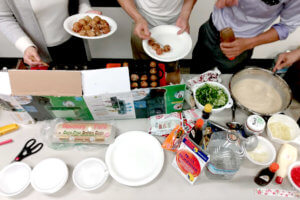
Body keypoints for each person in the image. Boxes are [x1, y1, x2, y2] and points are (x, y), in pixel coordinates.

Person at [191, 0, 300, 73]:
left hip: (241, 45)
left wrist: (250, 43)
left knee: (226, 84)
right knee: (195, 73)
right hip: (211, 28)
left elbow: (286, 26)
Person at [0, 0, 101, 67]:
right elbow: (3, 18)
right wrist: (26, 46)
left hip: (75, 42)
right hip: (40, 51)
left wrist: (86, 12)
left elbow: (80, 1)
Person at [117, 0, 196, 60]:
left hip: (175, 26)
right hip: (142, 23)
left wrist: (185, 14)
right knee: (142, 69)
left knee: (170, 71)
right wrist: (137, 18)